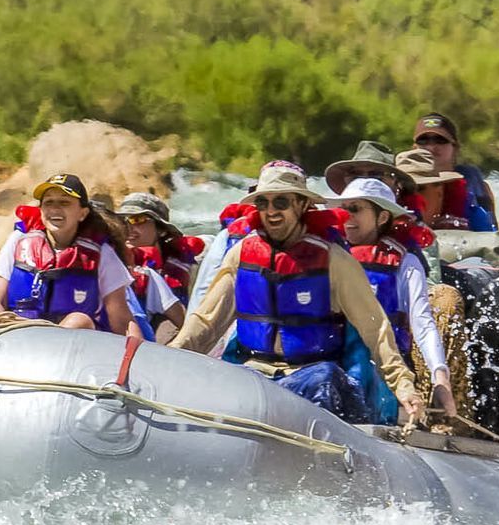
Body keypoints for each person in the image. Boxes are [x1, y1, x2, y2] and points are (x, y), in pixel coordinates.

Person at [173, 162, 424, 425]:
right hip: (251, 374)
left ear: (302, 205)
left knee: (326, 379)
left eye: (281, 202)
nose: (271, 211)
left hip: (310, 376)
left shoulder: (334, 261)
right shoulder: (240, 254)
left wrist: (403, 384)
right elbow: (206, 321)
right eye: (263, 203)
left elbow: (376, 330)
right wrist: (172, 354)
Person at [0, 173, 144, 338]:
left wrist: (140, 357)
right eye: (49, 202)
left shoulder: (102, 254)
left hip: (72, 348)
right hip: (16, 335)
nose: (55, 209)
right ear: (41, 210)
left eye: (64, 203)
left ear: (82, 213)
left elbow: (122, 320)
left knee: (78, 320)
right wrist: (3, 335)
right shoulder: (19, 241)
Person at [332, 177, 456, 419]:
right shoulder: (329, 254)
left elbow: (422, 321)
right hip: (333, 359)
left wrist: (440, 376)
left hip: (384, 369)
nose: (347, 217)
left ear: (382, 218)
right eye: (343, 209)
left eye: (356, 209)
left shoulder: (405, 263)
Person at [115, 192, 192, 340]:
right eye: (123, 221)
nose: (128, 228)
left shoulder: (176, 267)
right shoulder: (109, 260)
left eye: (137, 219)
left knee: (169, 328)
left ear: (161, 230)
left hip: (160, 333)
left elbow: (182, 318)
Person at [412, 112, 497, 232]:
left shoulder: (473, 183)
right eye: (423, 140)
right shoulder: (402, 183)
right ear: (414, 147)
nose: (431, 147)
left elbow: (490, 235)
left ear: (455, 148)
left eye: (440, 140)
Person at [395, 147, 463, 229]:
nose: (412, 199)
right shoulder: (383, 231)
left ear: (439, 194)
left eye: (420, 189)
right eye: (405, 190)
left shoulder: (458, 230)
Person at [324, 140, 414, 197]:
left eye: (375, 175)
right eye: (355, 176)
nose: (365, 181)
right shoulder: (333, 223)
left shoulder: (413, 223)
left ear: (395, 182)